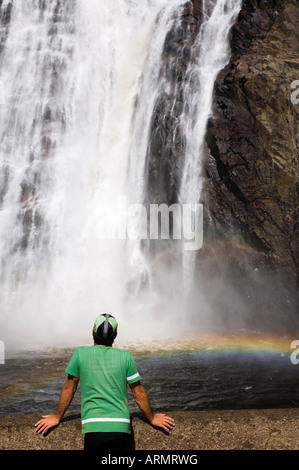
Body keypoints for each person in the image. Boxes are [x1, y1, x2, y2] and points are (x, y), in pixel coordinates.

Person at [35, 313, 175, 450]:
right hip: (121, 427)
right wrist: (152, 417)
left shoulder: (80, 354)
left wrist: (57, 417)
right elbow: (138, 393)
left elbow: (69, 388)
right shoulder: (126, 356)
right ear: (115, 335)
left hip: (93, 427)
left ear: (92, 332)